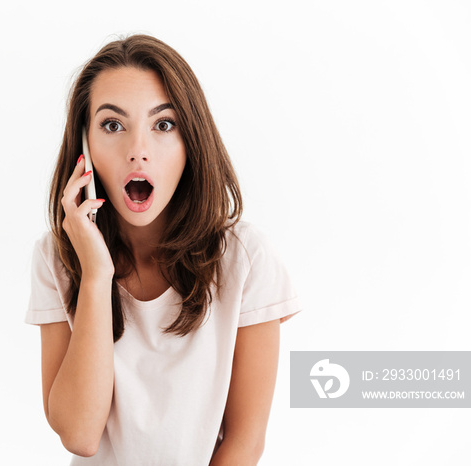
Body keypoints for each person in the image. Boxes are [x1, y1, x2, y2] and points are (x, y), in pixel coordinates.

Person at [25, 34, 302, 465]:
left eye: (164, 124)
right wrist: (97, 276)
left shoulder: (247, 260)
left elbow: (244, 443)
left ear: (191, 140)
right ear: (85, 149)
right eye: (112, 125)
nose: (139, 151)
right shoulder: (57, 258)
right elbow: (80, 434)